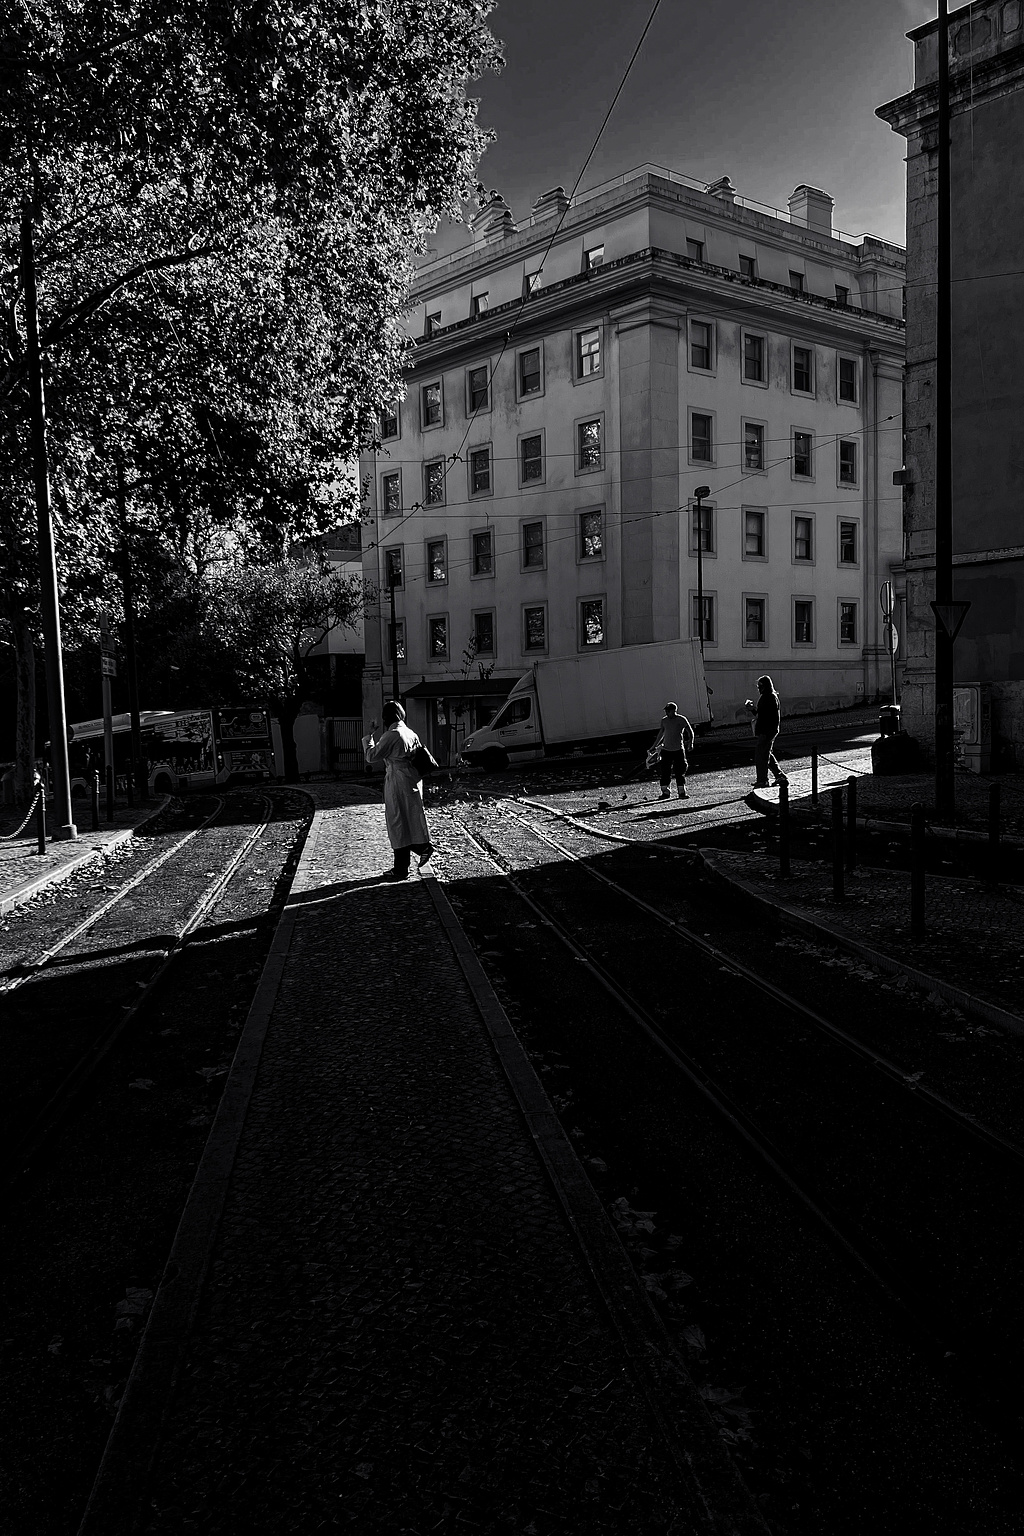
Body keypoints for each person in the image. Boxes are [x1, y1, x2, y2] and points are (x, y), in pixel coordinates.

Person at [363, 701, 433, 880]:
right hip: (413, 778)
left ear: (386, 718)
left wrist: (369, 736)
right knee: (410, 817)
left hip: (397, 780)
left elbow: (372, 756)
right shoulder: (410, 733)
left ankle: (407, 861)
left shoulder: (391, 735)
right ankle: (414, 853)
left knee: (397, 821)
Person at [746, 674, 788, 789]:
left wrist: (753, 710)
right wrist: (753, 710)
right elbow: (762, 714)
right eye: (758, 687)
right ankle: (780, 776)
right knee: (766, 753)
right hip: (768, 730)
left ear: (765, 686)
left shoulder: (769, 697)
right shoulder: (769, 696)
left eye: (760, 686)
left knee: (761, 756)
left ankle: (763, 780)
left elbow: (764, 716)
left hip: (766, 731)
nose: (758, 689)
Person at [652, 701, 694, 800]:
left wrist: (690, 742)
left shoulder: (681, 719)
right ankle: (665, 792)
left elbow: (689, 731)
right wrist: (654, 746)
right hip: (666, 749)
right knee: (665, 771)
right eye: (666, 711)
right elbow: (661, 734)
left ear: (674, 710)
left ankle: (681, 792)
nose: (667, 713)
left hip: (678, 749)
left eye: (669, 711)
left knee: (680, 771)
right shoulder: (664, 721)